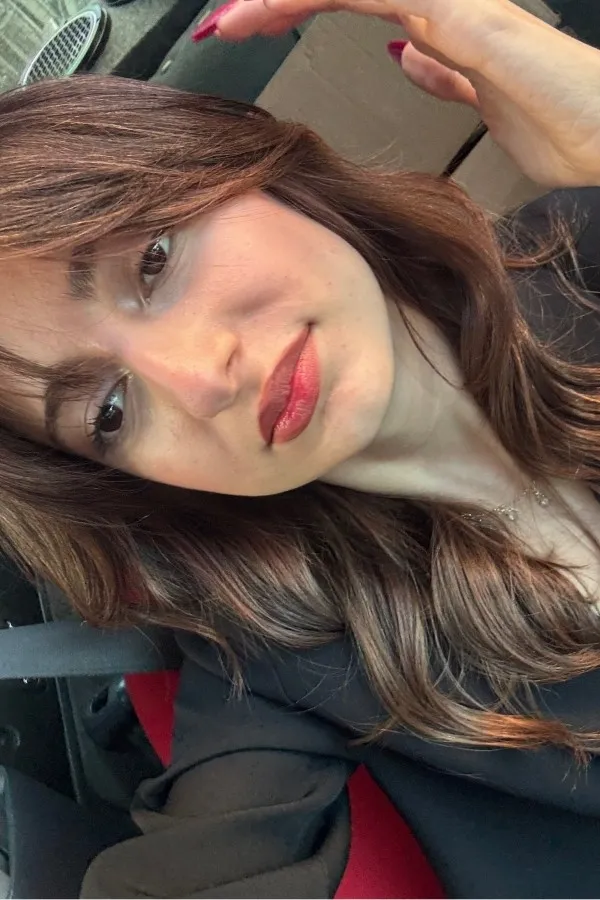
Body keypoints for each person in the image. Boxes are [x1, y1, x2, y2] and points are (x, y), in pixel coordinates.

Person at [1, 0, 600, 894]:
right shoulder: (278, 669)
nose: (200, 379)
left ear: (241, 161)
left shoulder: (584, 246)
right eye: (111, 412)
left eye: (154, 260)